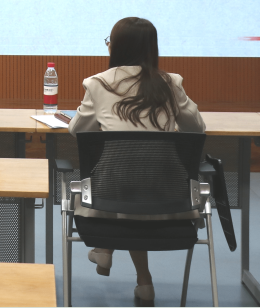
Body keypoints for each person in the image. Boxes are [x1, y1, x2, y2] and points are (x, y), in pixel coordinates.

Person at [69, 17, 205, 308]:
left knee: (124, 178)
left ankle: (105, 247)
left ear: (115, 47)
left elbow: (77, 130)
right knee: (139, 181)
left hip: (108, 199)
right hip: (169, 197)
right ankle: (143, 281)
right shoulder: (170, 83)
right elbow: (196, 127)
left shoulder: (98, 83)